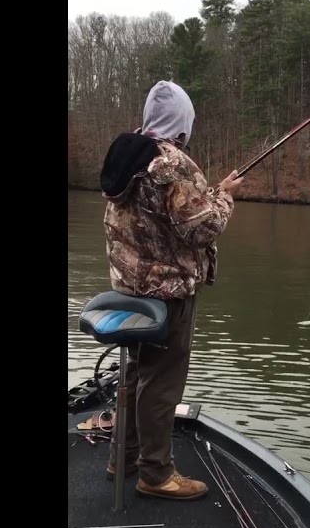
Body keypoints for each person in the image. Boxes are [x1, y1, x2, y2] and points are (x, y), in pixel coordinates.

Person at [97, 80, 243, 500]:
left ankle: (121, 457)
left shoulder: (128, 154)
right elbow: (203, 228)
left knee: (137, 373)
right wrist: (226, 197)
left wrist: (211, 193)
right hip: (167, 292)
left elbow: (164, 217)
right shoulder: (173, 163)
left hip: (128, 288)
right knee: (161, 384)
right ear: (183, 121)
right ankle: (156, 474)